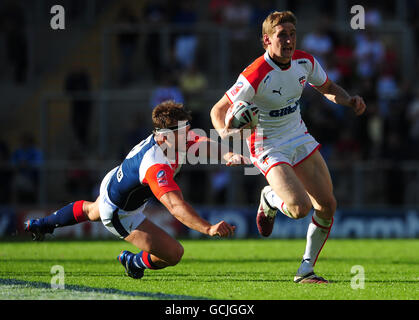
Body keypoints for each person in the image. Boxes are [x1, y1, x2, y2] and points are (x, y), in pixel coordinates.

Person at [210, 11, 366, 283]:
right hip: (267, 144)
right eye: (282, 35)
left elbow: (327, 86)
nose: (289, 40)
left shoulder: (304, 62)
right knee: (299, 208)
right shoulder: (255, 73)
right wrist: (226, 132)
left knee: (327, 205)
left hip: (299, 136)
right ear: (266, 41)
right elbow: (219, 109)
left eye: (292, 34)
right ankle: (269, 198)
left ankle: (306, 269)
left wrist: (349, 100)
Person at [25, 100, 245, 279]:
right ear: (165, 136)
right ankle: (134, 261)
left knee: (91, 210)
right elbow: (175, 207)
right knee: (174, 253)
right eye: (184, 131)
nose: (189, 135)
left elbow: (201, 141)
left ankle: (42, 225)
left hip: (116, 179)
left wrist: (227, 155)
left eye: (188, 129)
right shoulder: (155, 165)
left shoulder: (170, 139)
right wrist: (208, 228)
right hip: (120, 212)